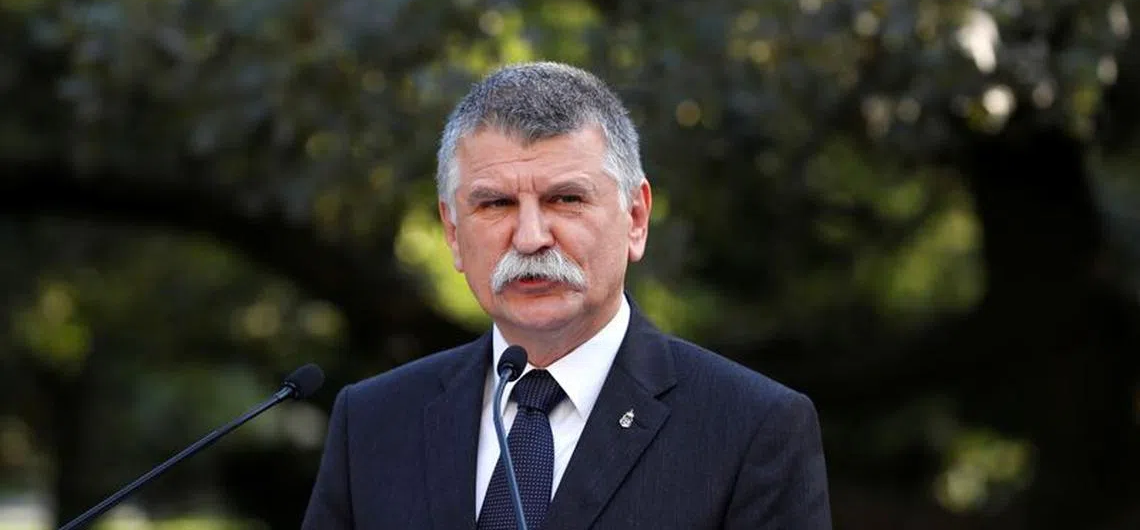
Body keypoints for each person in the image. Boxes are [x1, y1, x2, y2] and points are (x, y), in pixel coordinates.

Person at [301, 61, 832, 529]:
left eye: (566, 199)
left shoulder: (750, 429)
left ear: (636, 218)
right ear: (454, 232)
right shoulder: (374, 421)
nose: (530, 237)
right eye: (495, 205)